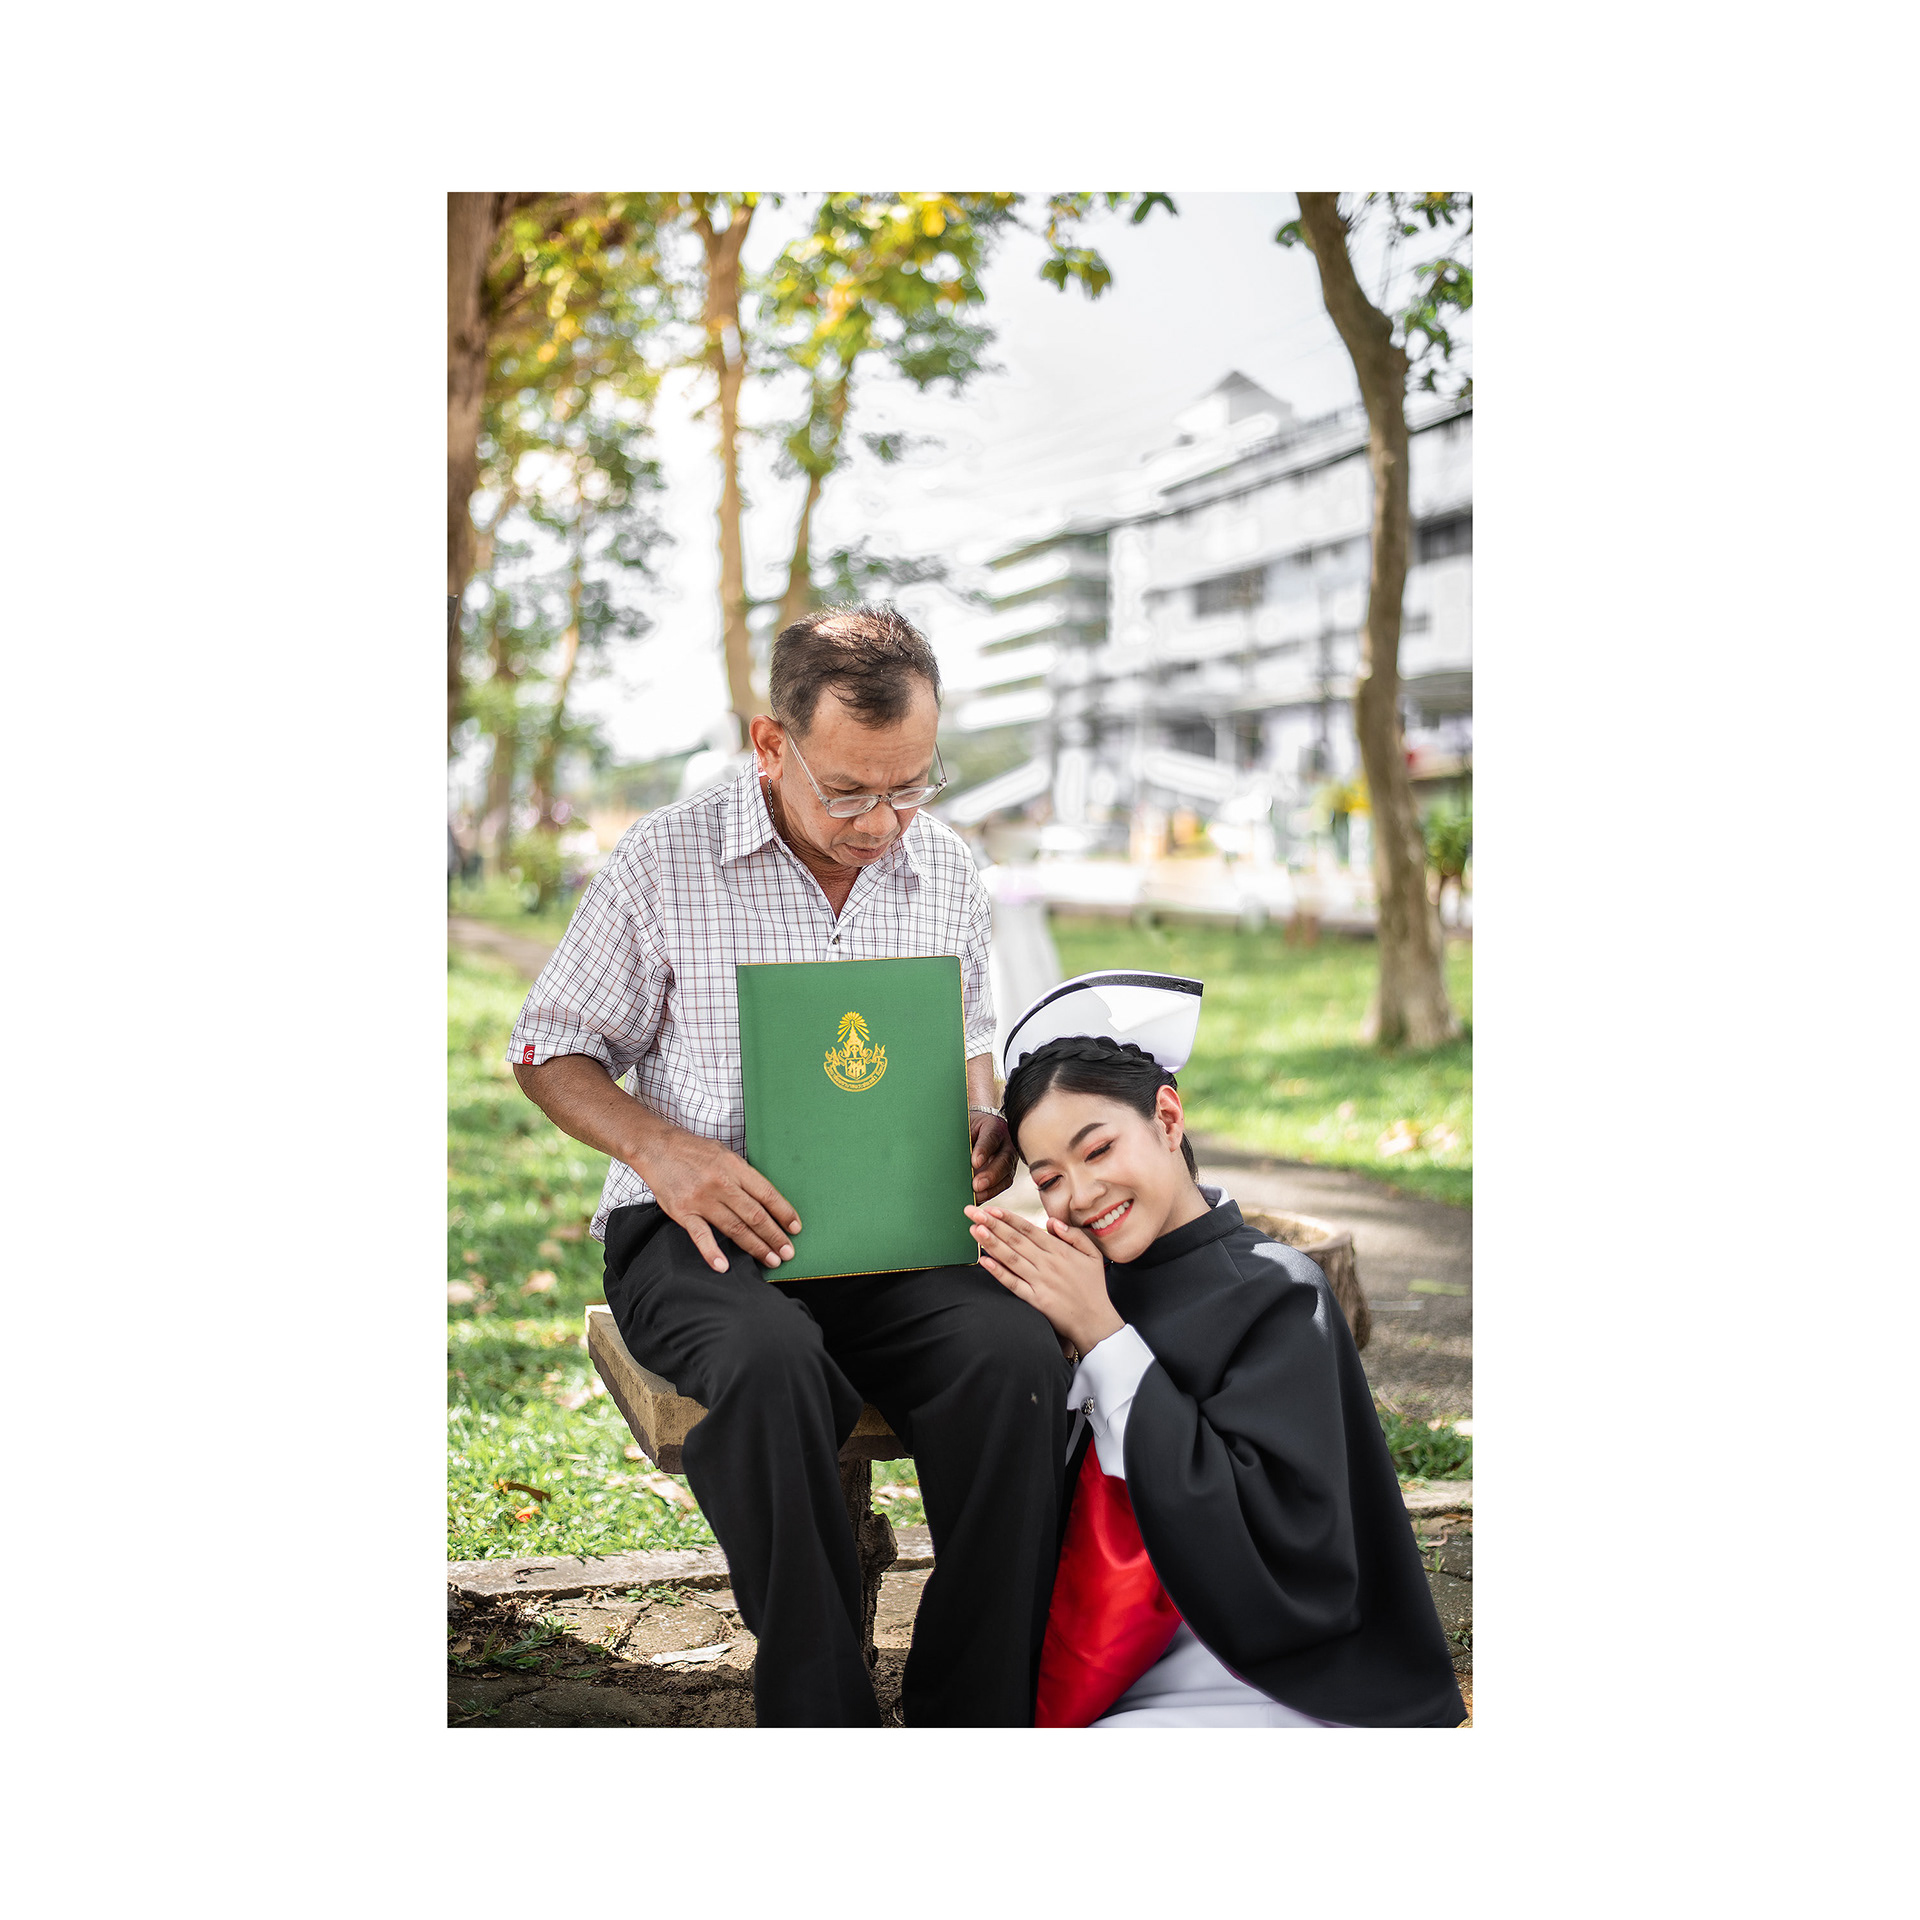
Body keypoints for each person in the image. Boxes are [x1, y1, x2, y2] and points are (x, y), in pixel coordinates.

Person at [506, 604, 1067, 1727]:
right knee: (770, 1366)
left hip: (893, 1228)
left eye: (911, 786)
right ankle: (821, 1712)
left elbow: (968, 1043)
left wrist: (986, 1116)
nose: (883, 823)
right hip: (697, 1231)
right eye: (849, 792)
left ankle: (976, 1712)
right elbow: (547, 1048)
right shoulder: (666, 860)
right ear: (772, 745)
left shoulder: (945, 868)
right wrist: (666, 1152)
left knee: (1015, 1359)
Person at [964, 971, 1466, 1728]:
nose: (1083, 1193)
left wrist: (1106, 1340)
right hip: (1104, 1685)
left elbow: (1288, 1548)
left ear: (1167, 1118)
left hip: (1269, 1690)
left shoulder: (1279, 1293)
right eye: (1050, 1178)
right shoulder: (1078, 1288)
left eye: (1098, 1149)